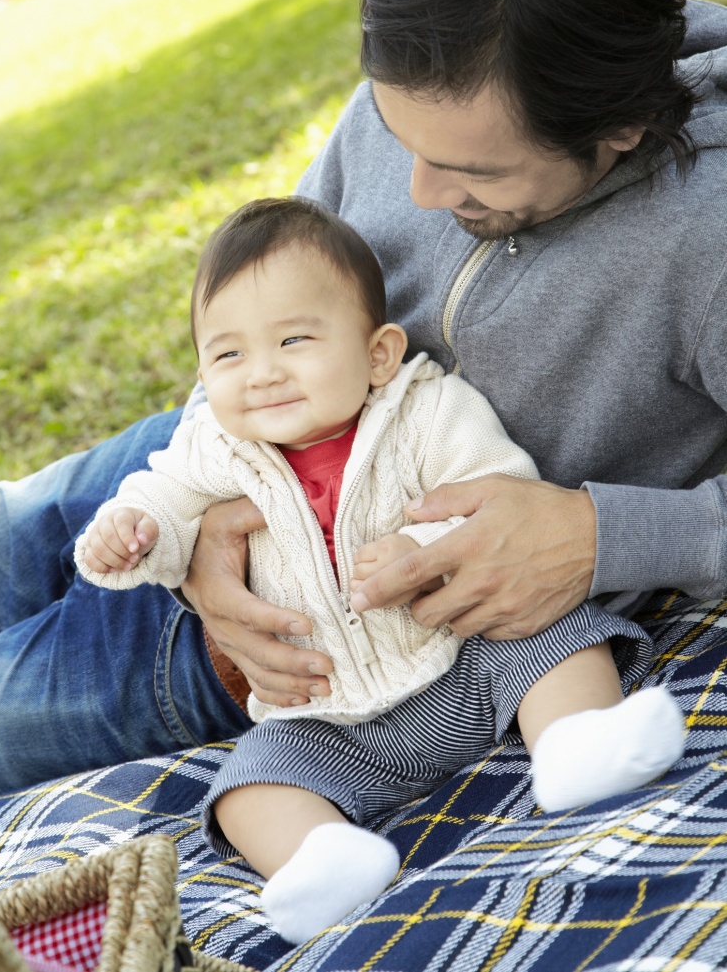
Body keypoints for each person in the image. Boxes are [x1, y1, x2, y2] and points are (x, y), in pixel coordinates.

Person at [0, 0, 725, 814]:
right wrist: (193, 528)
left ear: (614, 129)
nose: (413, 190)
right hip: (168, 474)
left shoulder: (701, 235)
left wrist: (597, 534)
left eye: (472, 175)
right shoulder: (436, 76)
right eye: (396, 135)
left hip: (258, 655)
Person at [74, 197, 681, 944]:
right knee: (246, 784)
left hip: (462, 659)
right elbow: (162, 500)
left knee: (559, 633)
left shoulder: (425, 412)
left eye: (294, 339)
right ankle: (325, 858)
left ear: (378, 354)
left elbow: (499, 492)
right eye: (228, 355)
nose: (261, 374)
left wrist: (428, 547)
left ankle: (576, 743)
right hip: (327, 716)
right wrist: (136, 531)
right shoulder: (214, 447)